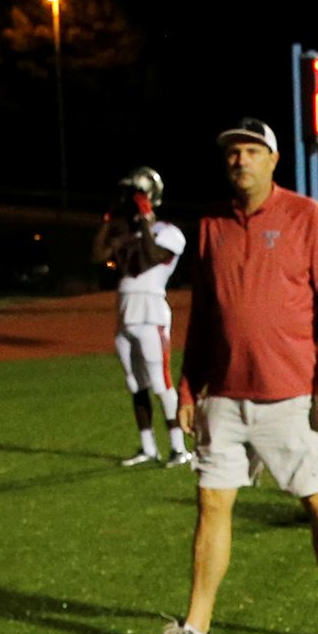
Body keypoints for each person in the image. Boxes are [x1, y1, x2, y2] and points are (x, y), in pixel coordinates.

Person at [142, 116, 318, 634]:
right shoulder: (211, 225)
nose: (240, 160)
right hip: (225, 398)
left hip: (290, 394)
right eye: (233, 153)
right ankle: (196, 629)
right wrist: (190, 388)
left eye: (251, 151)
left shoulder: (306, 216)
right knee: (211, 504)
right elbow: (205, 318)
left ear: (272, 160)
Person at [94, 168, 189, 468]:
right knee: (135, 384)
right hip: (125, 314)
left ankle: (178, 448)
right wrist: (108, 220)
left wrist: (146, 219)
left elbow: (150, 256)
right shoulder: (128, 231)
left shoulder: (169, 232)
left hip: (151, 313)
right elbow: (98, 255)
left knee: (162, 384)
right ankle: (148, 447)